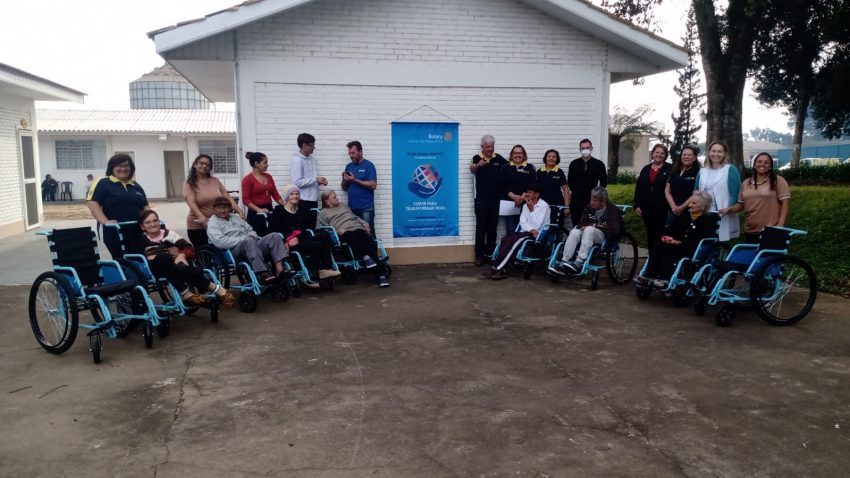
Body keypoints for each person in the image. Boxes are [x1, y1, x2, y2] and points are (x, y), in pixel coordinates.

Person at [133, 210, 235, 308]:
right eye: (148, 222)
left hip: (176, 266)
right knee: (165, 258)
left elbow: (189, 248)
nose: (153, 224)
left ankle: (187, 294)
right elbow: (133, 259)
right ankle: (219, 290)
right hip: (156, 269)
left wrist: (182, 255)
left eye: (155, 220)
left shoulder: (170, 235)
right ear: (142, 226)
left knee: (182, 269)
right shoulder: (141, 241)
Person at [638, 191, 718, 288]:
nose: (689, 205)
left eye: (693, 203)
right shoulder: (685, 215)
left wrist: (679, 242)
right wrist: (667, 237)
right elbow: (672, 229)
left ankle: (664, 278)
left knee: (667, 249)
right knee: (657, 245)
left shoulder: (708, 220)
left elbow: (701, 238)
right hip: (676, 244)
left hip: (692, 248)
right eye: (690, 202)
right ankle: (649, 276)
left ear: (703, 207)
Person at [207, 196, 293, 285]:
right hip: (232, 250)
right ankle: (262, 274)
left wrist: (252, 236)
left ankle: (280, 270)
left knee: (274, 236)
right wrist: (244, 239)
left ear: (229, 208)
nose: (223, 210)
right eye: (219, 208)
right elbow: (221, 242)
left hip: (250, 245)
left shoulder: (235, 217)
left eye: (225, 208)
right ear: (214, 209)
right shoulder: (213, 222)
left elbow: (250, 230)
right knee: (249, 242)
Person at [270, 185, 342, 289]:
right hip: (287, 243)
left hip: (300, 239)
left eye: (297, 194)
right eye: (292, 194)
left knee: (325, 236)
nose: (295, 196)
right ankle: (312, 274)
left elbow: (304, 229)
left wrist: (298, 237)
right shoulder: (279, 210)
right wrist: (287, 239)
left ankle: (325, 269)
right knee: (316, 245)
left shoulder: (301, 210)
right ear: (287, 196)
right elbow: (272, 231)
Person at [319, 190, 389, 288]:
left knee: (370, 243)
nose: (337, 198)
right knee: (351, 236)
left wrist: (365, 224)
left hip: (357, 228)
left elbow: (355, 217)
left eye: (336, 196)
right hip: (344, 232)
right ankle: (371, 264)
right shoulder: (323, 213)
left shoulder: (343, 205)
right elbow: (322, 228)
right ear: (327, 201)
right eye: (334, 197)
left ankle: (379, 274)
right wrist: (336, 230)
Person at [548, 186, 623, 275]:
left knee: (589, 230)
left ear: (603, 201)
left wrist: (595, 227)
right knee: (574, 231)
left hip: (604, 237)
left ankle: (579, 262)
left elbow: (615, 230)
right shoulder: (588, 208)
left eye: (595, 201)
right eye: (591, 200)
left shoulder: (613, 211)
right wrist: (584, 226)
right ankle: (564, 261)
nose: (592, 202)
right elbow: (581, 222)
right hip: (588, 234)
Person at [87, 153, 150, 258]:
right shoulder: (102, 183)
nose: (123, 168)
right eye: (119, 166)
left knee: (140, 258)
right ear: (112, 167)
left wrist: (152, 221)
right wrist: (106, 222)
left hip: (137, 231)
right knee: (122, 259)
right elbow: (92, 204)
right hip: (113, 232)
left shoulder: (136, 185)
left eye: (126, 166)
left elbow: (145, 207)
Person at [483, 183, 550, 280]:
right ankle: (500, 268)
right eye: (527, 192)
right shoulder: (526, 205)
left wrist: (532, 211)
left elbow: (538, 225)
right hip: (528, 231)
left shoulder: (544, 206)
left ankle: (498, 267)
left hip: (538, 233)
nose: (527, 194)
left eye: (530, 192)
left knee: (514, 241)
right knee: (506, 238)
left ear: (537, 194)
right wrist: (530, 228)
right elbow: (522, 221)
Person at [721, 152, 790, 243]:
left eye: (766, 162)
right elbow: (741, 205)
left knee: (768, 257)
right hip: (750, 230)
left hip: (771, 230)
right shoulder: (746, 183)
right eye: (759, 161)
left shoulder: (778, 180)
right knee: (752, 256)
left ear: (770, 166)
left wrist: (780, 224)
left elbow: (785, 203)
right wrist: (728, 210)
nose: (762, 164)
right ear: (754, 164)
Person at [184, 154, 242, 247]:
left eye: (207, 164)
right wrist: (201, 217)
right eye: (201, 163)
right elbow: (191, 202)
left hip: (218, 224)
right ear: (195, 164)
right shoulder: (189, 183)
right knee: (206, 254)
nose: (204, 166)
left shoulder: (215, 181)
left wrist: (239, 211)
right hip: (198, 226)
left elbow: (226, 196)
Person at [470, 134, 508, 266]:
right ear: (482, 147)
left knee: (493, 228)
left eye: (492, 146)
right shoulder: (477, 157)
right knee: (481, 228)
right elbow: (472, 169)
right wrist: (479, 165)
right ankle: (479, 256)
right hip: (481, 199)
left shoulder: (498, 158)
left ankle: (490, 254)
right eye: (487, 147)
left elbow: (510, 166)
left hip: (496, 199)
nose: (490, 149)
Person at [695, 140, 741, 241]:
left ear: (724, 154)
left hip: (722, 214)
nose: (716, 154)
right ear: (709, 153)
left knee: (719, 243)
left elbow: (734, 194)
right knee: (702, 244)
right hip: (704, 214)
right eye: (713, 151)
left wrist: (728, 209)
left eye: (720, 151)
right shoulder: (702, 171)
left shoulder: (730, 170)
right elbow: (696, 192)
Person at [634, 143, 672, 248]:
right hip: (647, 209)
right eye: (657, 152)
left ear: (665, 155)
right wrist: (637, 205)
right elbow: (639, 188)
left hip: (663, 209)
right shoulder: (645, 169)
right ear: (652, 153)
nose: (659, 155)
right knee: (650, 235)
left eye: (662, 153)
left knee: (661, 235)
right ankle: (652, 258)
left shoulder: (670, 169)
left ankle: (660, 260)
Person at [242, 151, 285, 235]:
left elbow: (275, 194)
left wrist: (285, 206)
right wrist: (259, 210)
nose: (267, 164)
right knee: (259, 237)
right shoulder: (247, 179)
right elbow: (246, 200)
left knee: (272, 235)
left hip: (268, 210)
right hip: (255, 213)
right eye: (265, 162)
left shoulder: (269, 177)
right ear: (256, 163)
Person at [341, 140, 377, 237]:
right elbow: (344, 188)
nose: (351, 155)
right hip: (352, 208)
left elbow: (373, 185)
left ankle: (372, 252)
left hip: (366, 208)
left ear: (360, 152)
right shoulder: (348, 166)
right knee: (357, 236)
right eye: (349, 153)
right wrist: (345, 179)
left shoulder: (369, 165)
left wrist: (354, 179)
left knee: (369, 234)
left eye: (353, 153)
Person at [291, 133, 327, 229]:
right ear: (303, 145)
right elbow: (297, 182)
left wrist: (319, 181)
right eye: (311, 145)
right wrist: (315, 179)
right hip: (304, 201)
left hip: (313, 199)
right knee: (305, 230)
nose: (314, 147)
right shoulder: (297, 160)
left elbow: (311, 178)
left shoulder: (312, 159)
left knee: (312, 229)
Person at [567, 138, 607, 224]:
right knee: (576, 224)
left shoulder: (599, 164)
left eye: (587, 147)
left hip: (592, 200)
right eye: (583, 148)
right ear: (580, 149)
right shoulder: (574, 164)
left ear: (591, 148)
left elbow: (603, 182)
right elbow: (570, 181)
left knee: (590, 224)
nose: (585, 150)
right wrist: (577, 192)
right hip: (576, 200)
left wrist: (597, 196)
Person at [501, 144, 536, 233]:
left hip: (525, 203)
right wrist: (513, 196)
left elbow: (532, 184)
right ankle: (512, 247)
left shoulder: (530, 167)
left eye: (520, 153)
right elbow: (502, 185)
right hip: (509, 204)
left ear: (524, 155)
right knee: (511, 230)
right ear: (512, 155)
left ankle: (522, 247)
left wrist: (522, 197)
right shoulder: (505, 168)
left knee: (524, 229)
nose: (518, 155)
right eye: (515, 153)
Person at [665, 145, 701, 225]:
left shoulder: (699, 173)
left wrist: (682, 207)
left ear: (694, 158)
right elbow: (667, 190)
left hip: (689, 210)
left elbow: (697, 192)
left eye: (689, 155)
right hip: (672, 210)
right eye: (684, 154)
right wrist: (673, 206)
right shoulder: (675, 171)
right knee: (670, 235)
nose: (686, 157)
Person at [536, 148, 570, 229]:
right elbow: (535, 190)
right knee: (542, 227)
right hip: (542, 206)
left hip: (557, 206)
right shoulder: (539, 172)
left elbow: (565, 189)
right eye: (549, 156)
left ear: (557, 159)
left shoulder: (559, 172)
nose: (551, 158)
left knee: (556, 228)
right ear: (545, 158)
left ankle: (555, 241)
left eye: (554, 157)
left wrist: (567, 207)